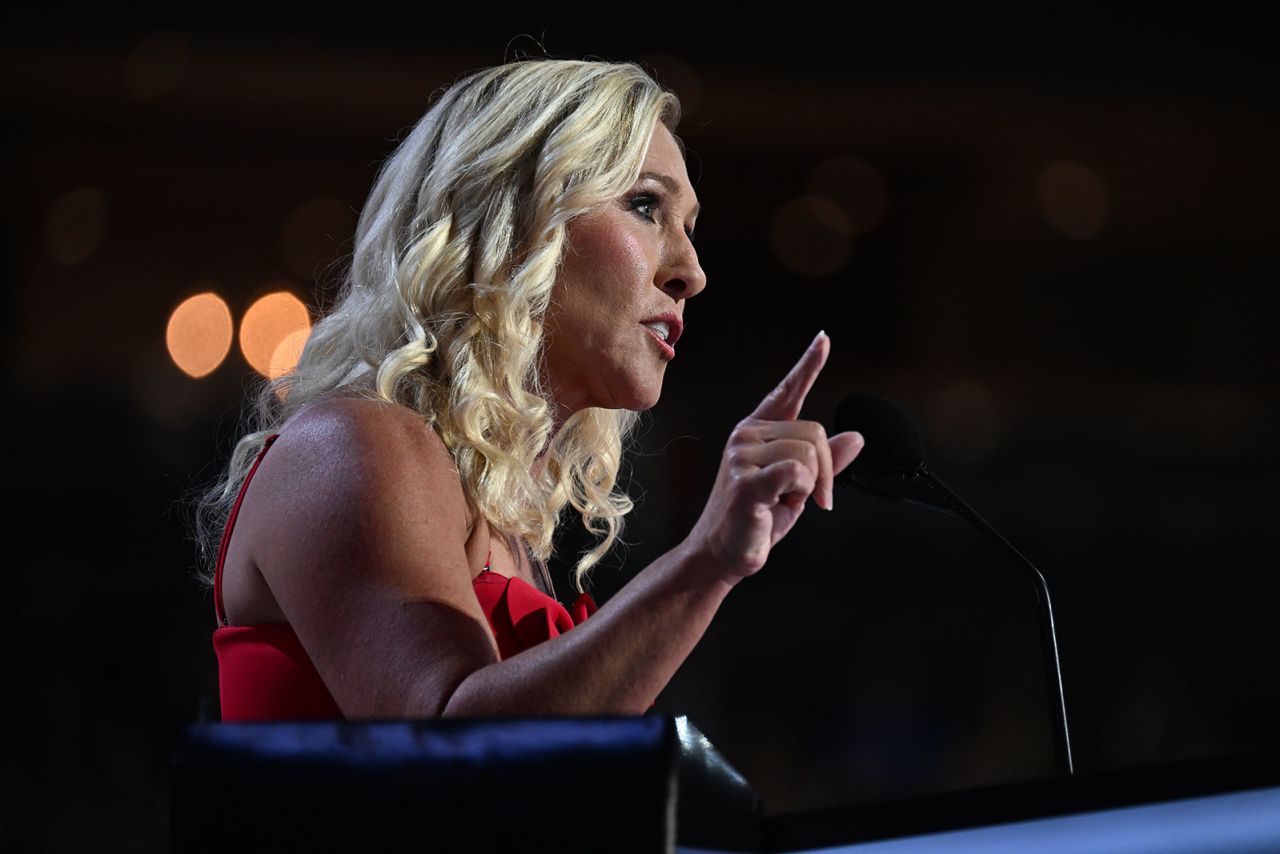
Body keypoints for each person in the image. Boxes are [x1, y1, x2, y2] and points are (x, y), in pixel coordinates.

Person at [196, 58, 864, 721]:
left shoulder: (510, 529)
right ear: (513, 221)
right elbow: (447, 744)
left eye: (688, 228)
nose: (691, 272)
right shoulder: (354, 442)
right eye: (644, 206)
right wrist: (704, 562)